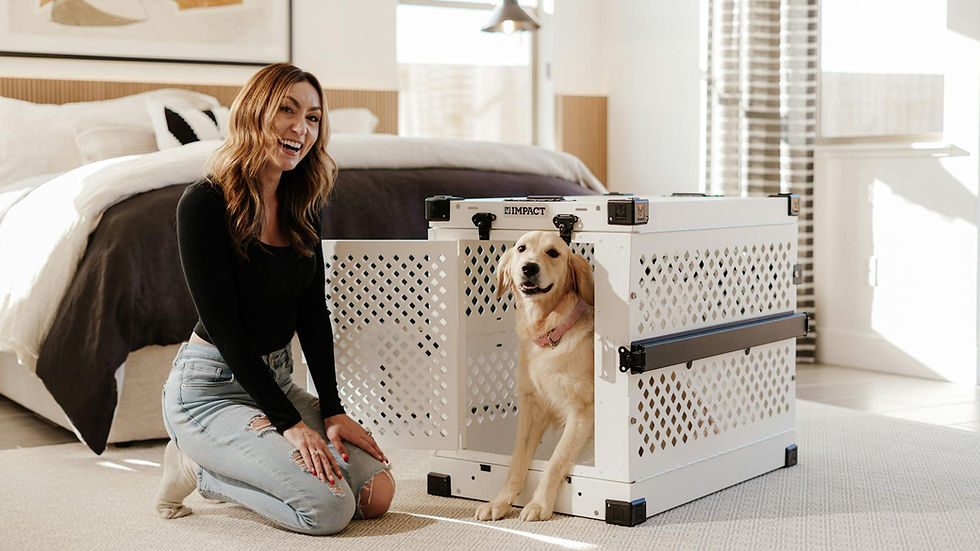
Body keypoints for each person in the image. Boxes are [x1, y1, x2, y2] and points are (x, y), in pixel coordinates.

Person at [154, 63, 394, 535]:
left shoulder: (305, 203)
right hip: (209, 391)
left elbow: (312, 312)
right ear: (254, 112)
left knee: (375, 495)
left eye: (314, 117)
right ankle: (195, 466)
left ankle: (233, 456)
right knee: (328, 510)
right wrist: (289, 424)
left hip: (276, 380)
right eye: (287, 109)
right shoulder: (203, 203)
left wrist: (332, 410)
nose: (300, 128)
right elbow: (224, 326)